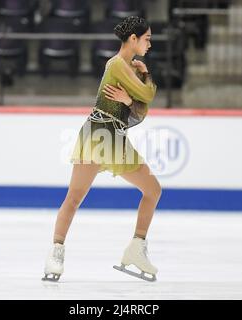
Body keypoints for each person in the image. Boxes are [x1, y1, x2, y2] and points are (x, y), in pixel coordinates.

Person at [43, 16, 161, 282]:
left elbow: (140, 112)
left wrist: (138, 85)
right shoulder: (117, 64)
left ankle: (136, 249)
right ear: (133, 39)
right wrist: (141, 87)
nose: (149, 44)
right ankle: (56, 253)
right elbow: (149, 96)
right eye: (147, 38)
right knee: (74, 198)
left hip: (114, 136)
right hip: (98, 135)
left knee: (152, 190)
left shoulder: (130, 68)